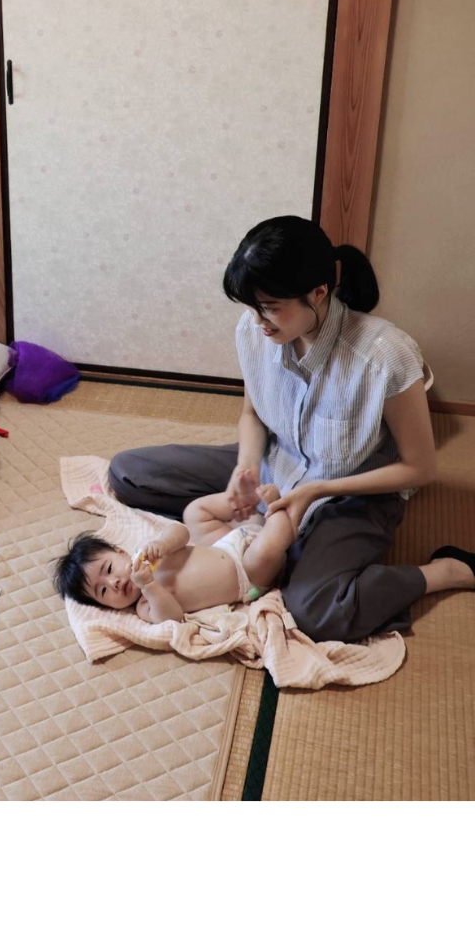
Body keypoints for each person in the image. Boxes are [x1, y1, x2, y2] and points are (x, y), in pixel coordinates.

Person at [108, 215, 475, 642]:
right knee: (128, 473)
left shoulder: (385, 356)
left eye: (269, 307)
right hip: (275, 465)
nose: (257, 321)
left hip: (350, 492)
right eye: (250, 307)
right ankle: (272, 545)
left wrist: (314, 491)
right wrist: (245, 470)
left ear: (318, 292)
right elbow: (252, 415)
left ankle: (445, 571)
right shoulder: (254, 331)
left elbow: (420, 469)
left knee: (314, 613)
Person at [54, 483, 293, 621]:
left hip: (225, 546)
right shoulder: (145, 606)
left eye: (108, 569)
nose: (113, 582)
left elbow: (182, 533)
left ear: (121, 552)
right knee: (265, 552)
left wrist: (164, 543)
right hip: (247, 576)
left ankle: (248, 501)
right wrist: (149, 585)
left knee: (194, 513)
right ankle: (281, 512)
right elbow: (172, 617)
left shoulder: (147, 551)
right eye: (103, 591)